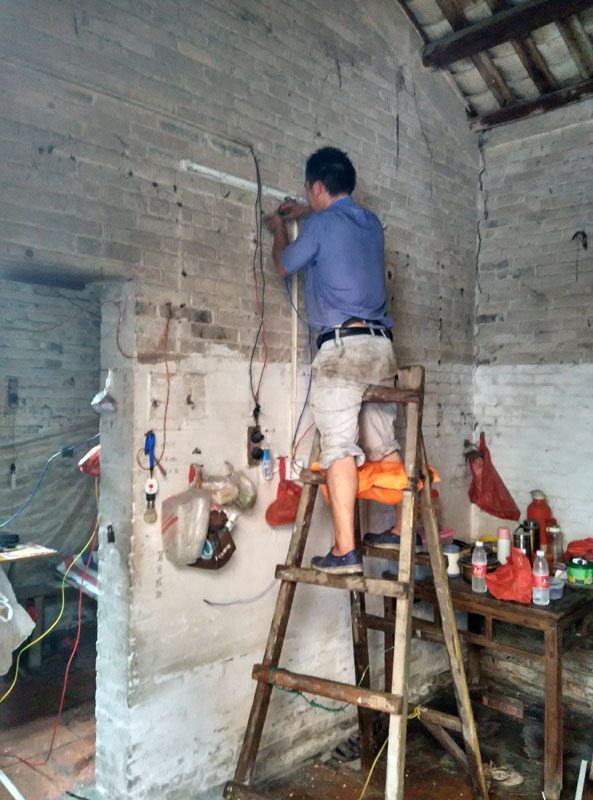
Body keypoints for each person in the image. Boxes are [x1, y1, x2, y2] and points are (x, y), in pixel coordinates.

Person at [266, 147, 403, 574]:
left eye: (309, 189)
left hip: (343, 351)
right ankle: (404, 529)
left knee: (339, 448)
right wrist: (308, 210)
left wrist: (279, 228)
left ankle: (346, 550)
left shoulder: (319, 225)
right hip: (381, 350)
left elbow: (284, 265)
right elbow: (337, 216)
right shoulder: (370, 223)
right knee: (383, 443)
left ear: (317, 186)